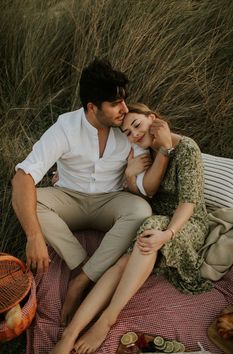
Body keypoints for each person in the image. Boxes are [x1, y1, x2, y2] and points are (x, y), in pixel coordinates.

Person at [11, 60, 171, 325]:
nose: (124, 109)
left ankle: (81, 281)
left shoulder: (128, 127)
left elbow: (146, 189)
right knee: (31, 200)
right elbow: (22, 177)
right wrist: (33, 236)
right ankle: (80, 263)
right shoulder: (65, 128)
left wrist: (135, 172)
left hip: (110, 200)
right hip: (69, 198)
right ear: (92, 107)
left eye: (124, 101)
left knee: (140, 210)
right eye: (114, 104)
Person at [50, 103, 212, 354]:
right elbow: (145, 195)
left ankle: (107, 319)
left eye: (137, 125)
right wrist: (129, 175)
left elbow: (189, 204)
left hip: (185, 223)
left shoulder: (187, 148)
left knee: (148, 229)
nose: (134, 134)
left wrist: (167, 234)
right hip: (157, 219)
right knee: (123, 260)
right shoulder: (148, 151)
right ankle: (70, 333)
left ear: (153, 118)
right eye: (127, 132)